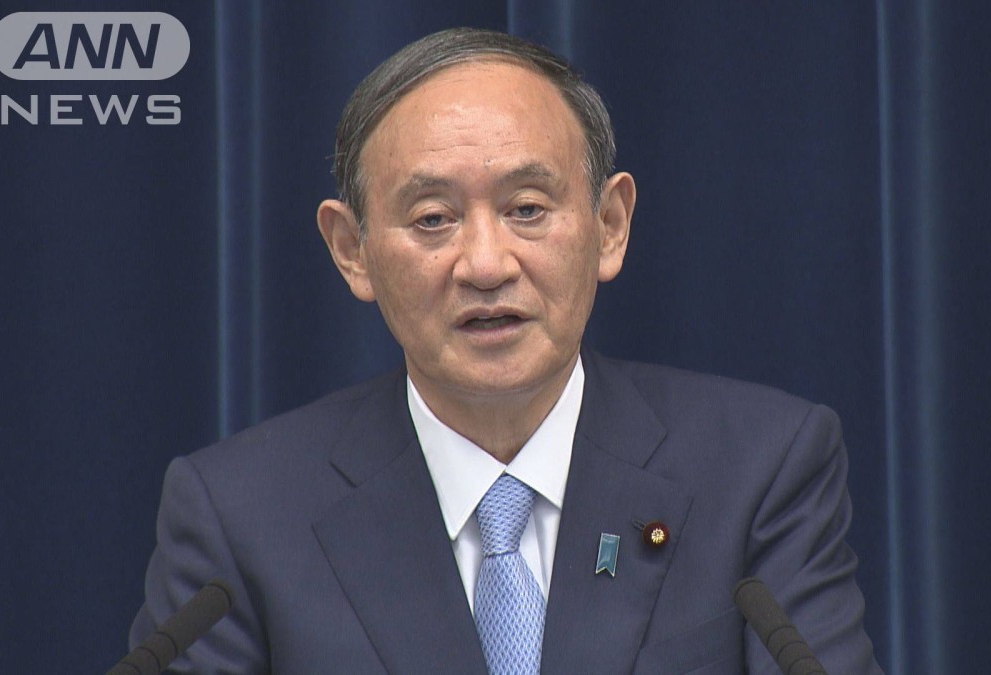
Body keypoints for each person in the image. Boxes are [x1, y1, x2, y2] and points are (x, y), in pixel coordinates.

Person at [129, 27, 883, 674]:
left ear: (610, 225)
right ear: (352, 249)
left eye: (527, 208)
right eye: (433, 219)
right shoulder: (241, 515)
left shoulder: (758, 470)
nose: (486, 265)